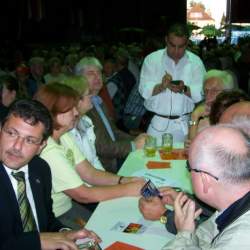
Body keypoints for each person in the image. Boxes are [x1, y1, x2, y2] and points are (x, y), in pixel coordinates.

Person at [35, 83, 145, 229]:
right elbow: (83, 194)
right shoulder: (48, 150)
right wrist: (129, 189)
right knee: (106, 232)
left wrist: (124, 180)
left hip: (68, 207)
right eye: (70, 109)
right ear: (52, 112)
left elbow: (90, 173)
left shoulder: (64, 135)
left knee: (113, 225)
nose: (76, 113)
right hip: (56, 217)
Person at [0, 99, 100, 250]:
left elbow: (47, 220)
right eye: (12, 133)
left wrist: (64, 233)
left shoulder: (40, 169)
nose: (17, 147)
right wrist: (39, 241)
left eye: (30, 140)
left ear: (41, 146)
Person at [162, 124, 250, 249]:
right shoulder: (233, 206)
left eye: (189, 167)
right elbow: (211, 236)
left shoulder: (237, 240)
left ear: (205, 180)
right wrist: (188, 231)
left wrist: (184, 235)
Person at [75, 56, 147, 173]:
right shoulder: (82, 107)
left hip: (115, 156)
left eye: (99, 72)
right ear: (79, 78)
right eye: (91, 73)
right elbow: (100, 147)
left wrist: (136, 139)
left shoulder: (98, 101)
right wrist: (133, 145)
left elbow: (113, 132)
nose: (97, 77)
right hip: (105, 165)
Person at [139, 23, 206, 145]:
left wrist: (184, 89)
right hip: (156, 125)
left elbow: (201, 93)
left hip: (184, 125)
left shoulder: (196, 62)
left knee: (183, 162)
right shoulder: (151, 59)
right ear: (166, 40)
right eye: (172, 45)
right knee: (152, 161)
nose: (176, 51)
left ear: (187, 43)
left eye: (180, 47)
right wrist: (161, 86)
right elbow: (143, 90)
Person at [188, 69, 234, 141]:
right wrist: (194, 117)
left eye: (214, 91)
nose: (208, 96)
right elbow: (191, 145)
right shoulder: (201, 113)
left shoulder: (234, 115)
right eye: (206, 91)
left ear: (227, 93)